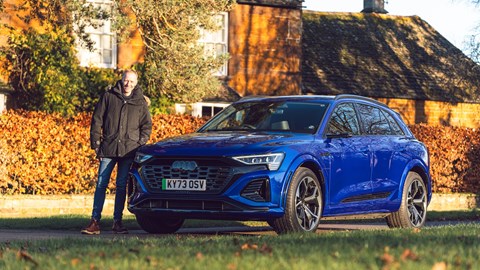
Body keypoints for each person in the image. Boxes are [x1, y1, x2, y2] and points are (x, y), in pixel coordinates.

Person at [81, 70, 152, 235]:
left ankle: (117, 222)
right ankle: (95, 221)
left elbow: (146, 126)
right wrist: (96, 145)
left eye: (132, 82)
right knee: (101, 184)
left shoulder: (140, 102)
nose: (129, 84)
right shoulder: (108, 96)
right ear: (122, 80)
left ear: (136, 83)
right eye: (126, 80)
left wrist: (140, 143)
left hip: (129, 151)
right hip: (108, 148)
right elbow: (97, 120)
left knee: (121, 186)